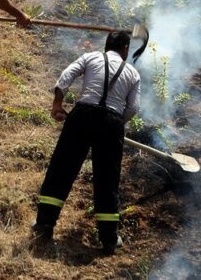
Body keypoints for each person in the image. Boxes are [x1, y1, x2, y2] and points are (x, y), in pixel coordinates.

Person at [32, 31, 141, 255]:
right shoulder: (132, 73)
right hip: (112, 122)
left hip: (82, 115)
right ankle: (109, 239)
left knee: (61, 170)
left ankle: (44, 225)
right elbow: (132, 108)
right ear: (125, 49)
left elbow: (66, 76)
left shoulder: (91, 57)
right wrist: (115, 124)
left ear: (107, 45)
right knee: (107, 180)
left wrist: (57, 104)